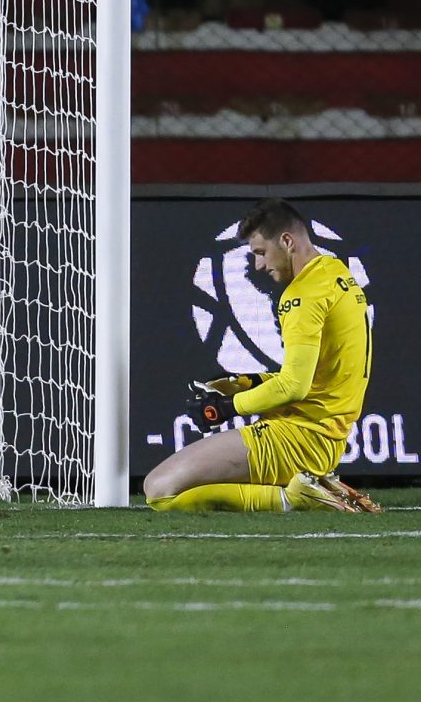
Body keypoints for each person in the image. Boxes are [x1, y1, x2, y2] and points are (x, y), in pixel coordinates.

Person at [144, 199, 378, 514]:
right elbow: (312, 376)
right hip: (323, 438)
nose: (259, 265)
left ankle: (296, 497)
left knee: (159, 491)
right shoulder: (337, 275)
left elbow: (294, 386)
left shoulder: (301, 296)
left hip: (298, 438)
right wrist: (243, 383)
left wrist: (226, 408)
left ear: (286, 241)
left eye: (260, 253)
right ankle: (310, 485)